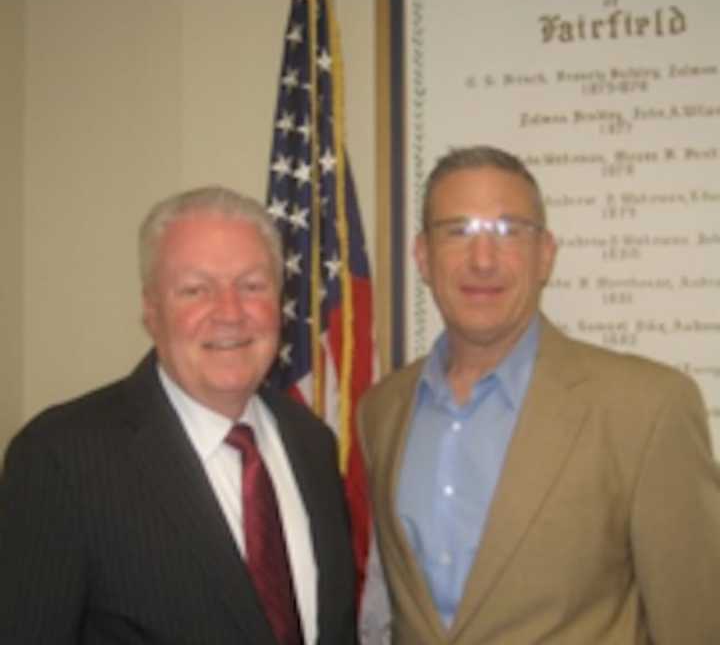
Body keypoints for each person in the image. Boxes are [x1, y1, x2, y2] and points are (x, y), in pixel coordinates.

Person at [358, 146, 720, 644]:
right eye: (457, 231)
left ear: (545, 254)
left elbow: (695, 626)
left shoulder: (648, 408)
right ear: (423, 255)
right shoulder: (382, 411)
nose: (482, 260)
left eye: (509, 232)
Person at [0, 186, 357, 645]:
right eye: (195, 290)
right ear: (152, 311)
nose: (229, 313)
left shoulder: (311, 442)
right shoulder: (61, 459)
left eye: (252, 286)